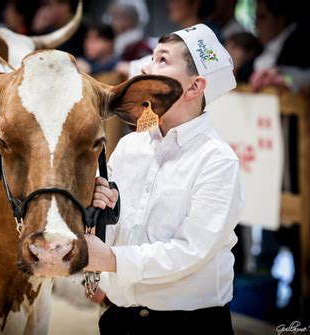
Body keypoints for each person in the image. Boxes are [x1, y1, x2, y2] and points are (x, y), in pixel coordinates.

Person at [85, 24, 244, 334]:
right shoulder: (131, 146)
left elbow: (191, 250)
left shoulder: (217, 160)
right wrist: (101, 209)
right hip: (119, 319)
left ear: (195, 87)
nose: (144, 68)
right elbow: (113, 228)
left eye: (162, 60)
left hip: (188, 325)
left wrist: (112, 260)